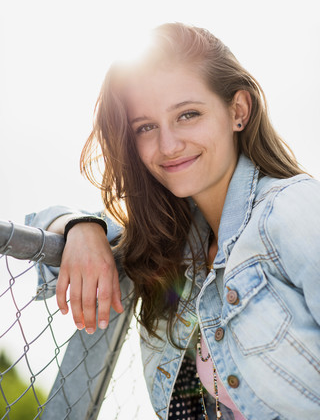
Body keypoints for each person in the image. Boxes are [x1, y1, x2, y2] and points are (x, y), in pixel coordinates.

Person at [28, 23, 320, 419]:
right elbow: (40, 224)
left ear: (238, 111)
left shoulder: (292, 210)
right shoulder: (169, 246)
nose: (167, 145)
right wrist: (81, 227)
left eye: (188, 114)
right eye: (146, 127)